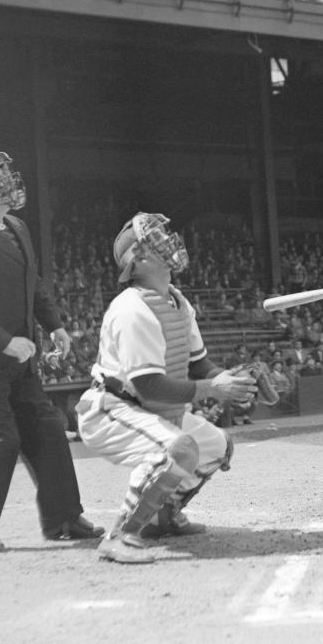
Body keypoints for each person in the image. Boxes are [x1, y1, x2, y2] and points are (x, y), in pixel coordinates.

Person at [0, 148, 102, 554]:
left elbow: (35, 283)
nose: (8, 183)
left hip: (19, 362)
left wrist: (56, 324)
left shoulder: (15, 227)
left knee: (48, 431)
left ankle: (63, 518)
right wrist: (5, 341)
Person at [74, 213, 258, 564]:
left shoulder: (177, 301)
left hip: (147, 407)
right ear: (139, 259)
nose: (170, 241)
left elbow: (199, 363)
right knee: (179, 450)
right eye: (156, 239)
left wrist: (232, 379)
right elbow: (149, 385)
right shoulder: (132, 308)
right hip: (112, 409)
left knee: (219, 446)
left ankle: (163, 516)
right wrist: (212, 389)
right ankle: (119, 536)